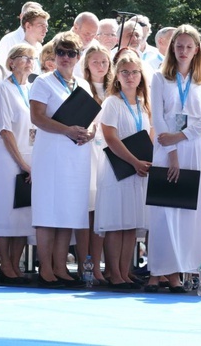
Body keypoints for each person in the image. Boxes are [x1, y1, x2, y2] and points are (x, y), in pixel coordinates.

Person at [145, 24, 201, 293]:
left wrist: (181, 138)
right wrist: (172, 150)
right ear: (172, 49)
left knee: (189, 213)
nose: (183, 51)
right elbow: (158, 116)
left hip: (193, 148)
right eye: (179, 46)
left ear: (196, 49)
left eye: (188, 46)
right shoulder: (160, 78)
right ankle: (160, 271)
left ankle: (182, 272)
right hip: (165, 148)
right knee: (164, 212)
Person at [30, 31, 95, 288]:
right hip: (51, 154)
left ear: (78, 57)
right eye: (61, 52)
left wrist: (89, 133)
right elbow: (37, 118)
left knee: (68, 211)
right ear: (53, 55)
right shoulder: (43, 82)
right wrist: (66, 130)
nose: (65, 57)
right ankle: (45, 267)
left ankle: (60, 267)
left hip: (76, 155)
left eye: (71, 53)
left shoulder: (83, 85)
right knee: (48, 211)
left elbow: (90, 119)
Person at [94, 50, 152, 289]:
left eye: (134, 72)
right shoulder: (112, 102)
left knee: (130, 224)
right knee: (116, 224)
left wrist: (145, 162)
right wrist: (134, 161)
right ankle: (114, 272)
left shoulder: (142, 104)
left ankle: (125, 271)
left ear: (141, 76)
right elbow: (111, 137)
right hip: (119, 168)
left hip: (138, 171)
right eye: (125, 72)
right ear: (117, 76)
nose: (130, 77)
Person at [0, 44, 37, 285]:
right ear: (11, 62)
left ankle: (16, 264)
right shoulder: (4, 88)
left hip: (30, 156)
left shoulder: (31, 88)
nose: (29, 61)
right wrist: (21, 163)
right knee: (8, 213)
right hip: (11, 159)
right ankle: (5, 265)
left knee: (24, 213)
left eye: (32, 57)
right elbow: (5, 130)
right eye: (24, 57)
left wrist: (32, 163)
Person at [79, 41, 114, 285]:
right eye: (95, 62)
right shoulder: (82, 88)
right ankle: (84, 264)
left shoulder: (114, 89)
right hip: (86, 152)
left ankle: (101, 267)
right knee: (86, 212)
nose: (100, 66)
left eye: (104, 61)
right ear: (87, 65)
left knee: (102, 213)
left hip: (108, 153)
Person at [0, 1, 43, 66]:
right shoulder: (9, 40)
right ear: (21, 16)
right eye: (30, 15)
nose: (33, 18)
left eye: (37, 16)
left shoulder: (39, 46)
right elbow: (5, 69)